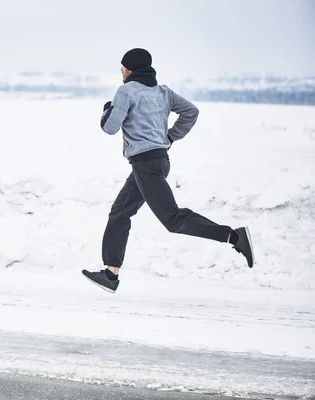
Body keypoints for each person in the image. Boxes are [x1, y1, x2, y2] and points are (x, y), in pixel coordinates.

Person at [82, 48, 254, 293]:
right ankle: (111, 274)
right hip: (157, 161)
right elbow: (191, 112)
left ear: (130, 68)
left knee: (172, 219)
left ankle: (233, 237)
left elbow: (109, 128)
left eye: (122, 66)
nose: (120, 70)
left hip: (146, 165)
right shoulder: (163, 92)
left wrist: (107, 111)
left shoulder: (126, 91)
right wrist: (170, 137)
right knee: (120, 212)